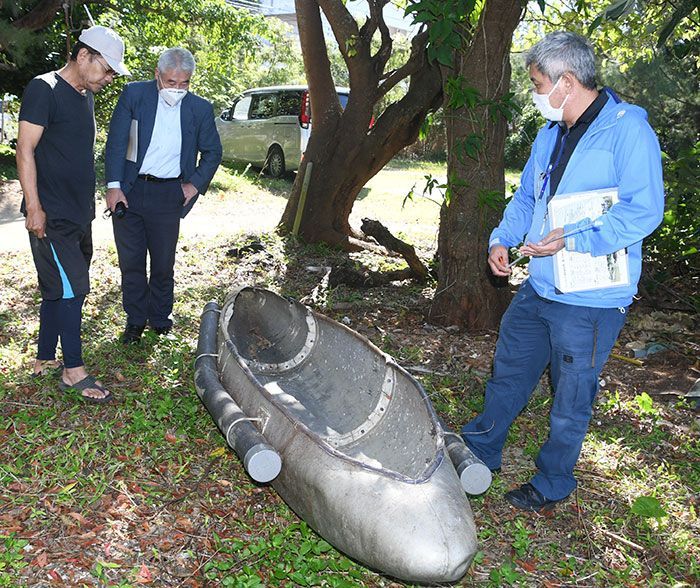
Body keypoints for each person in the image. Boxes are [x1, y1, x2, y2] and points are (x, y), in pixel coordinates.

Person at [461, 31, 664, 512]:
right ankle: (479, 450)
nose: (535, 94)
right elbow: (528, 198)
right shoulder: (550, 134)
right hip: (542, 286)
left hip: (590, 300)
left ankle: (552, 482)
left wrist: (573, 237)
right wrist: (501, 238)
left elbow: (644, 210)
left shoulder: (628, 129)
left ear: (566, 82)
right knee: (509, 370)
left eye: (537, 83)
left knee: (571, 397)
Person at [16, 26, 129, 403]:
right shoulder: (43, 89)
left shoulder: (85, 94)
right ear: (83, 56)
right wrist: (34, 208)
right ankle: (73, 370)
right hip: (51, 215)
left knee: (57, 287)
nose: (109, 78)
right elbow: (25, 151)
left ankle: (46, 356)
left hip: (80, 214)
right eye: (107, 69)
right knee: (72, 290)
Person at [104, 47, 222, 344]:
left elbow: (212, 152)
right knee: (131, 262)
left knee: (163, 263)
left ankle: (160, 318)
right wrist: (113, 186)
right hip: (130, 190)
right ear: (157, 75)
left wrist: (193, 185)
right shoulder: (134, 96)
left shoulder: (200, 109)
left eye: (184, 83)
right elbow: (117, 142)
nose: (178, 89)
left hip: (170, 193)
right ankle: (134, 320)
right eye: (171, 82)